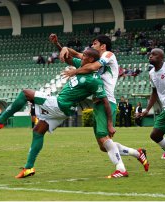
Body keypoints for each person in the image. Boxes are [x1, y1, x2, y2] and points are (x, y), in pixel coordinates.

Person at [0, 48, 119, 179]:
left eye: (84, 55)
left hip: (60, 104)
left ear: (90, 59)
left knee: (25, 93)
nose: (81, 56)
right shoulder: (80, 66)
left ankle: (0, 121)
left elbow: (105, 101)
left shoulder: (94, 80)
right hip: (63, 110)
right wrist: (59, 45)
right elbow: (68, 58)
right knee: (38, 131)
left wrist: (110, 124)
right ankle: (29, 168)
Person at [50, 34, 149, 178]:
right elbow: (75, 56)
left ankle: (121, 169)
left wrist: (74, 72)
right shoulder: (92, 57)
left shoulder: (108, 55)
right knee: (104, 146)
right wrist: (60, 45)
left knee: (104, 138)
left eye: (94, 43)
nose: (92, 46)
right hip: (98, 104)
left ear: (103, 46)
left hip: (106, 102)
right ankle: (137, 153)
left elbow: (92, 66)